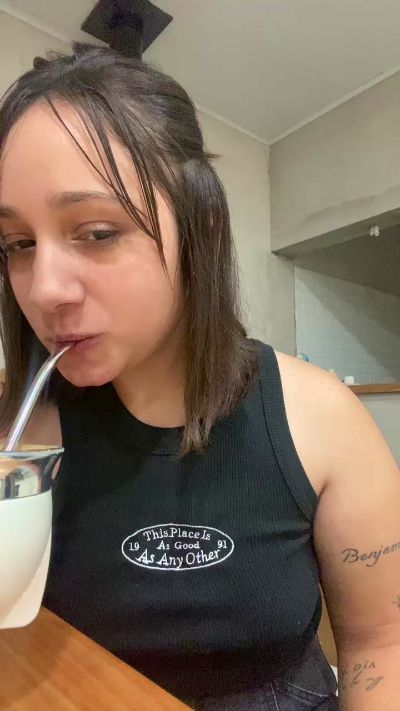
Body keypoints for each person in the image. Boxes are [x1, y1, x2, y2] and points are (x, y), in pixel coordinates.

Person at [0, 44, 399, 711]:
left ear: (202, 226)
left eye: (95, 232)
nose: (43, 289)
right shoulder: (22, 434)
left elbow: (382, 641)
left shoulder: (322, 418)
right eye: (17, 244)